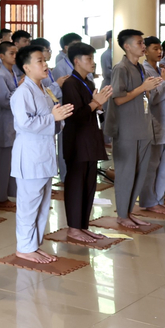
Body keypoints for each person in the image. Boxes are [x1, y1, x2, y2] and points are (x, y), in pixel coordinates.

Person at [10, 45, 73, 263]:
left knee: (43, 202)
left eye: (45, 60)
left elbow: (53, 117)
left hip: (45, 152)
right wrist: (52, 119)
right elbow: (24, 123)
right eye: (40, 61)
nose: (45, 64)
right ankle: (24, 247)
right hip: (30, 154)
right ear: (27, 67)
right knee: (28, 205)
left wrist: (59, 119)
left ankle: (34, 244)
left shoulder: (45, 88)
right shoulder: (22, 93)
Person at [107, 29, 162, 229]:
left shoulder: (141, 68)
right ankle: (122, 214)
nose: (143, 46)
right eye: (139, 43)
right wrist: (142, 88)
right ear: (127, 46)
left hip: (144, 127)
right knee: (126, 173)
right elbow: (119, 99)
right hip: (127, 130)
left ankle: (129, 212)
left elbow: (148, 96)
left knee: (140, 173)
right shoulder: (120, 68)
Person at [60, 43, 113, 243]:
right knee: (75, 184)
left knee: (89, 184)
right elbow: (75, 116)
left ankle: (83, 225)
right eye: (88, 58)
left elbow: (92, 112)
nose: (92, 62)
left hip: (90, 138)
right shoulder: (70, 84)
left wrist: (98, 106)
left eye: (92, 58)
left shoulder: (88, 83)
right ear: (76, 61)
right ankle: (73, 228)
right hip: (76, 141)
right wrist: (94, 103)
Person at [139, 37, 165, 215]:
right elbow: (153, 98)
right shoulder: (144, 70)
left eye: (160, 49)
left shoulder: (161, 68)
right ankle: (149, 200)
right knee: (152, 165)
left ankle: (158, 198)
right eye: (155, 48)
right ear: (146, 50)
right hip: (155, 122)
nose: (160, 52)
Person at [0, 41, 19, 209]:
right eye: (11, 53)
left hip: (11, 123)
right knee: (0, 162)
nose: (15, 56)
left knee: (8, 162)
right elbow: (3, 100)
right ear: (1, 56)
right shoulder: (0, 75)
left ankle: (6, 194)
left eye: (16, 53)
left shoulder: (12, 72)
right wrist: (19, 90)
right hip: (1, 123)